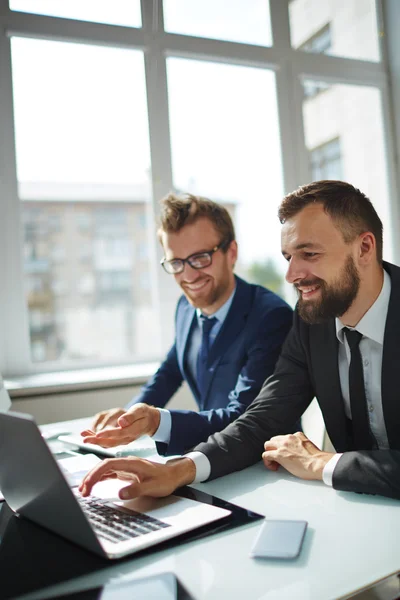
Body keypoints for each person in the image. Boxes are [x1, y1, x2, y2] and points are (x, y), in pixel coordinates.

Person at [81, 180, 400, 502]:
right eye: (289, 256)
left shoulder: (277, 315)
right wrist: (178, 470)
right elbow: (261, 420)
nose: (291, 275)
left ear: (364, 248)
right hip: (360, 503)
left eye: (310, 253)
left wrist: (324, 463)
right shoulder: (310, 322)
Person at [81, 193, 293, 456]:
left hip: (261, 463)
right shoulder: (185, 308)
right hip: (207, 457)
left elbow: (245, 415)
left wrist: (158, 422)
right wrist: (129, 417)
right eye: (176, 263)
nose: (189, 275)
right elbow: (170, 371)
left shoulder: (270, 317)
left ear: (232, 253)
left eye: (201, 257)